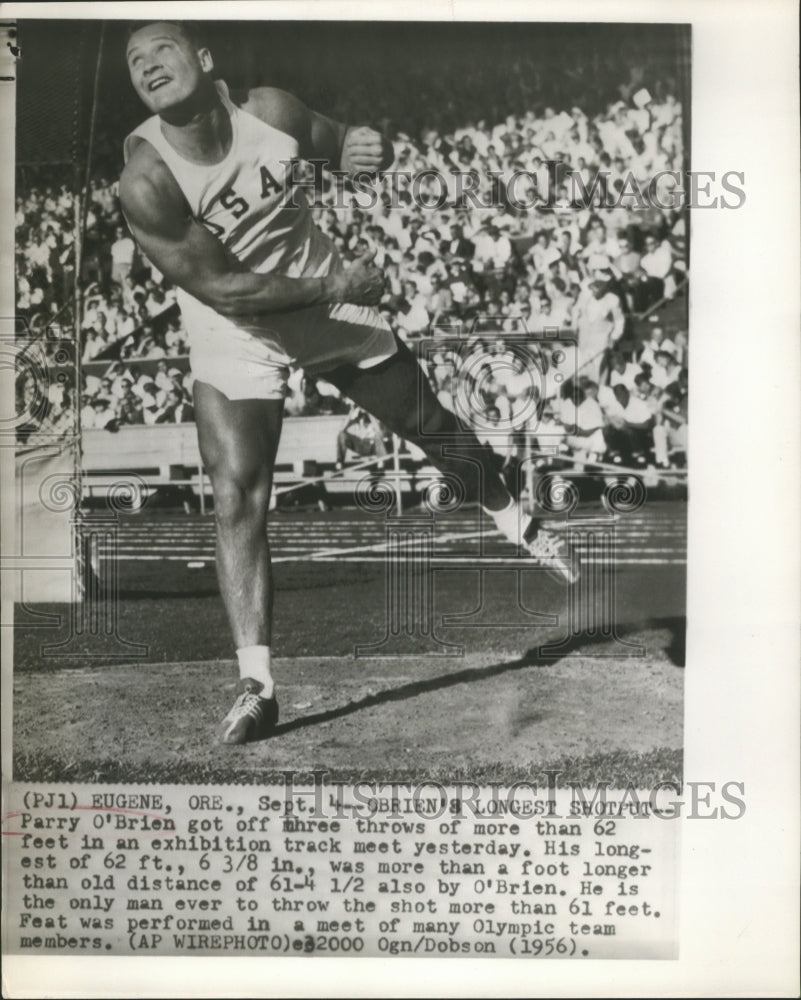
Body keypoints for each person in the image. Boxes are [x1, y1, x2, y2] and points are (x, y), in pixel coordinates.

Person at [120, 21, 577, 746]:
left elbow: (345, 146)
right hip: (236, 324)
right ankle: (256, 684)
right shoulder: (145, 181)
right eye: (134, 60)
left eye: (162, 49)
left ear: (204, 61)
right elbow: (230, 291)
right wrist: (333, 280)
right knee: (237, 491)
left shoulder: (268, 112)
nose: (148, 65)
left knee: (430, 428)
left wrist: (367, 149)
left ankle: (523, 526)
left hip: (326, 306)